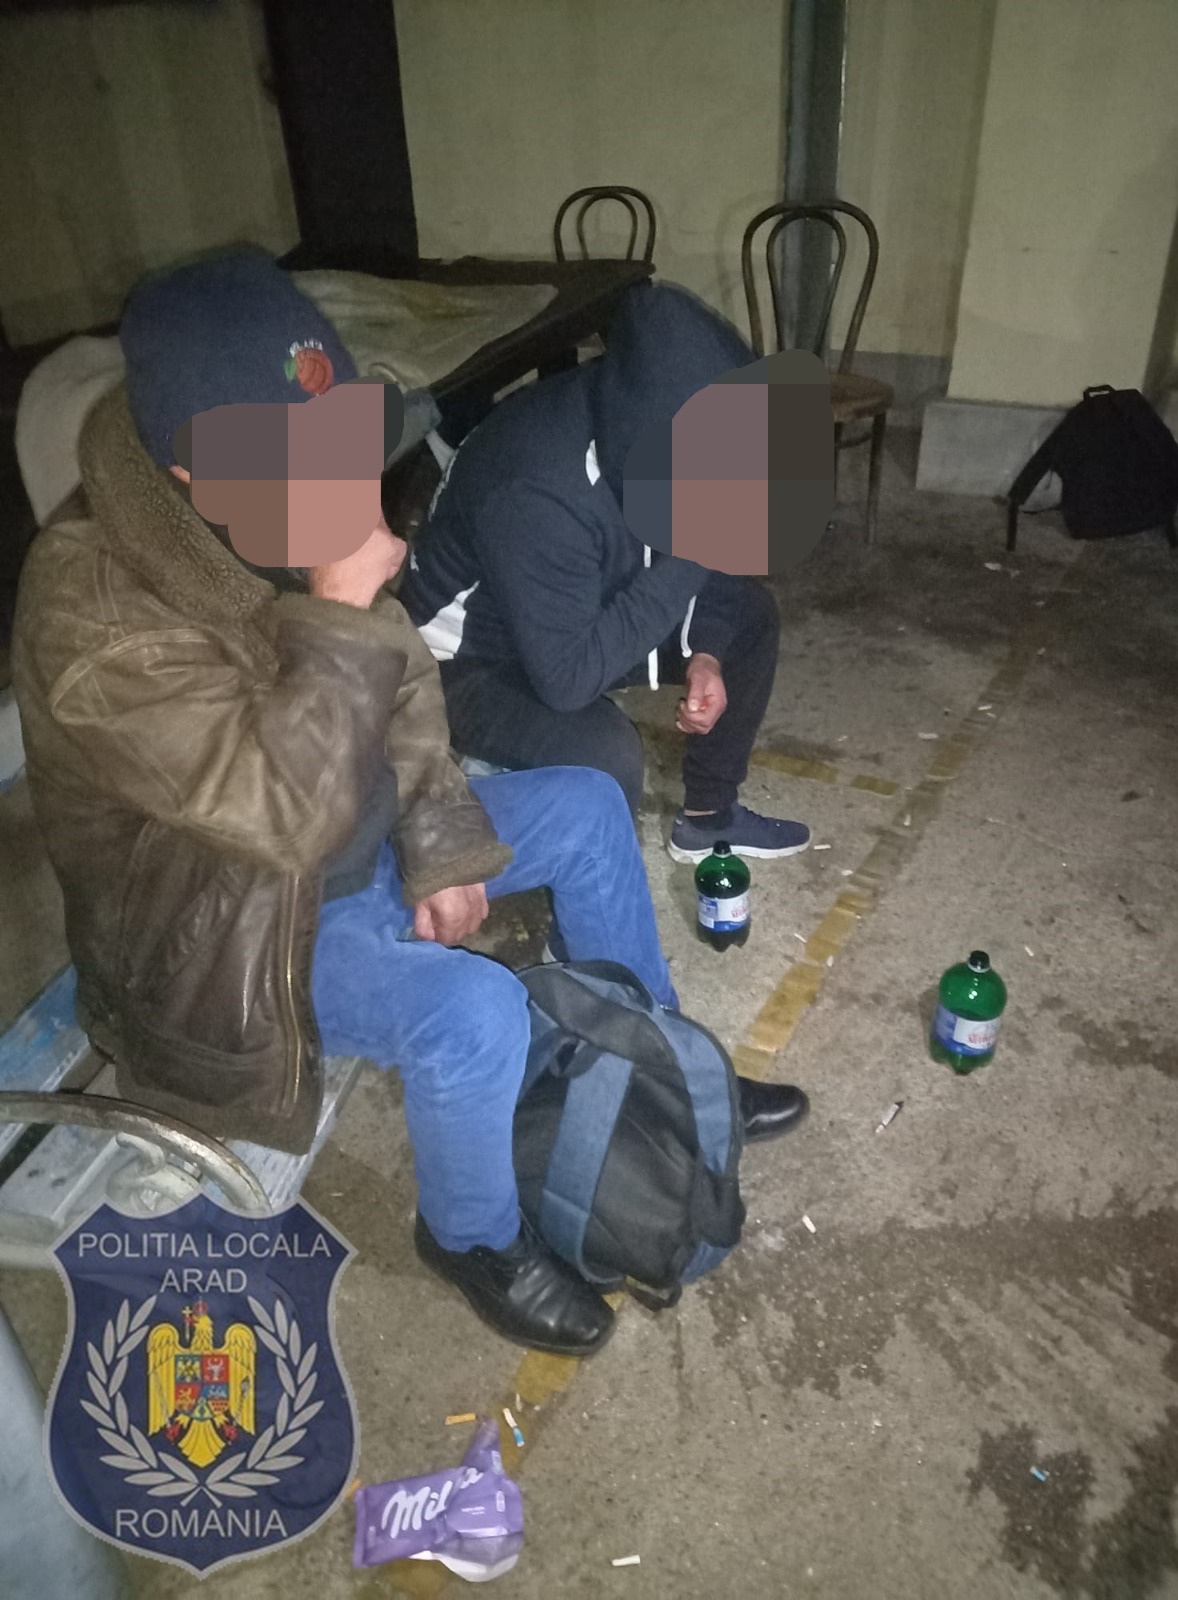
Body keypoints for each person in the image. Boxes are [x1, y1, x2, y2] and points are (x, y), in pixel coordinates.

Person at [11, 250, 806, 1361]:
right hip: (231, 931)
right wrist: (340, 607)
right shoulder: (93, 619)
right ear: (190, 470)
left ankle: (656, 1060)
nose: (344, 485)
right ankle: (472, 1236)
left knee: (586, 803)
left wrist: (440, 843)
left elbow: (406, 688)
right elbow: (283, 818)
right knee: (471, 1016)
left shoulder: (263, 508)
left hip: (351, 837)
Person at [400, 281, 812, 863]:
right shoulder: (534, 486)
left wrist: (707, 652)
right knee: (605, 758)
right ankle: (552, 905)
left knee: (747, 618)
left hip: (576, 604)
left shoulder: (637, 416)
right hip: (465, 661)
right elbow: (567, 681)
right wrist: (697, 547)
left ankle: (708, 820)